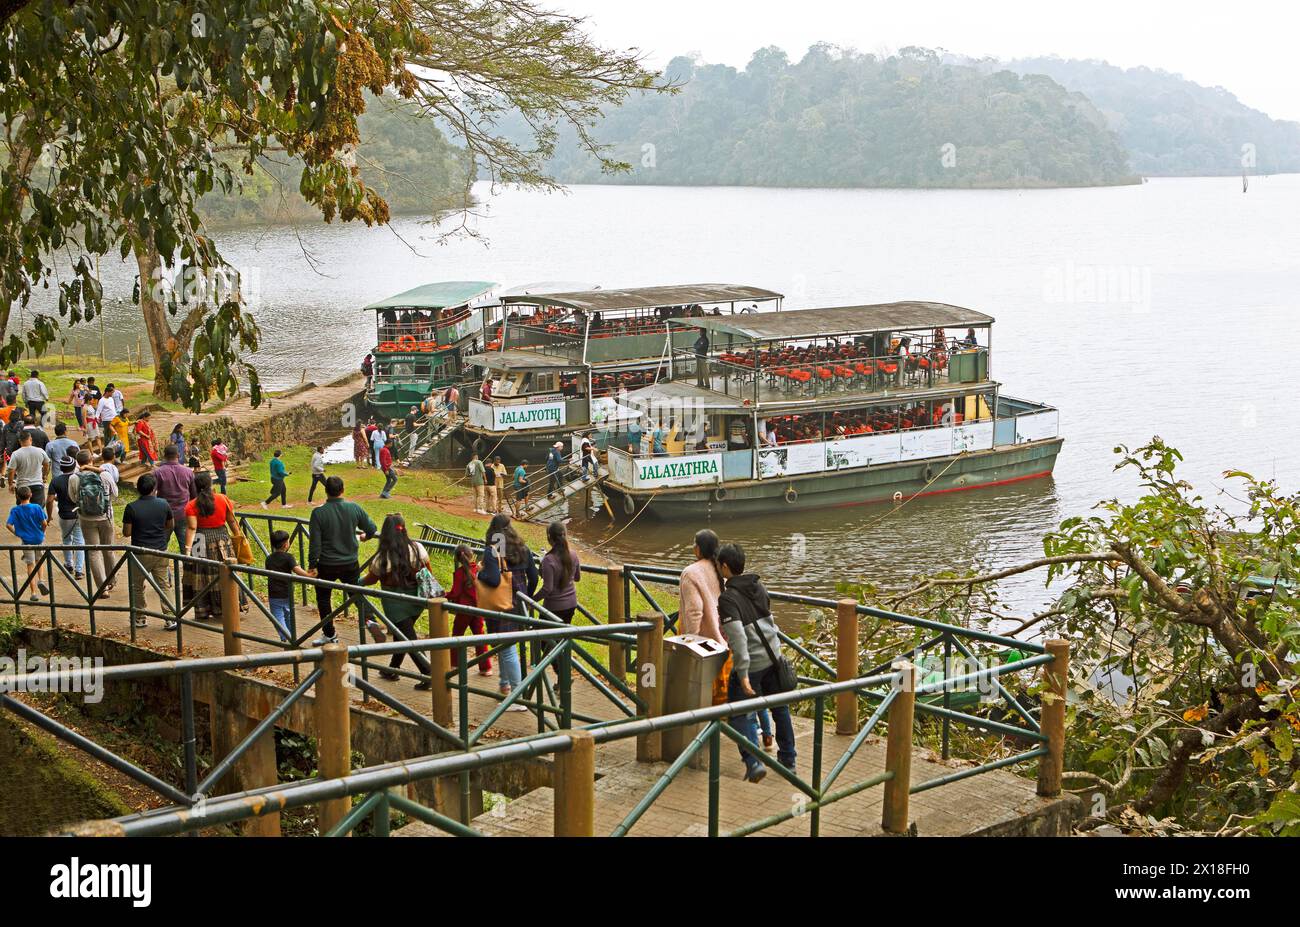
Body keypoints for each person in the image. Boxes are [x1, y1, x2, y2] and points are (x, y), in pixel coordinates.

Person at [717, 543, 796, 779]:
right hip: (774, 656)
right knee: (780, 708)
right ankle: (788, 760)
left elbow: (738, 638)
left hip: (752, 664)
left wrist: (742, 674)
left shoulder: (727, 599)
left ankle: (753, 764)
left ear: (724, 567)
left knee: (740, 714)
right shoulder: (758, 586)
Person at [360, 513, 433, 689]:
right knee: (404, 634)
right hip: (416, 600)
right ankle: (392, 669)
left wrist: (357, 582)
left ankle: (429, 673)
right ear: (404, 528)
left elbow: (372, 578)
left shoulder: (383, 557)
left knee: (408, 638)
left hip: (394, 604)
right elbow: (428, 571)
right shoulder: (418, 548)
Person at [307, 476, 378, 645]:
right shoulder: (353, 508)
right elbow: (372, 529)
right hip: (350, 563)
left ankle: (330, 634)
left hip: (326, 565)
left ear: (326, 491)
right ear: (342, 490)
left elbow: (315, 543)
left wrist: (312, 565)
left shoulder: (318, 513)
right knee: (356, 593)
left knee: (323, 599)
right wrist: (366, 537)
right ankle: (371, 620)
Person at [477, 514, 537, 708]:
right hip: (520, 604)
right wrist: (528, 596)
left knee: (508, 649)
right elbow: (534, 577)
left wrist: (480, 573)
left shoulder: (495, 549)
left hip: (502, 605)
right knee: (506, 647)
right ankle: (504, 686)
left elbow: (494, 579)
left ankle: (518, 697)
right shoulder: (523, 548)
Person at [122, 472, 175, 630]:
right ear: (154, 489)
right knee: (164, 585)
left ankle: (140, 617)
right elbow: (170, 525)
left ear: (138, 489)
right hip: (160, 551)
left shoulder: (131, 507)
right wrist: (163, 538)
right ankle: (170, 618)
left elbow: (126, 532)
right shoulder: (163, 504)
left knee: (136, 585)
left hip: (139, 552)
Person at [182, 472, 238, 622]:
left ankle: (203, 609)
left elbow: (192, 528)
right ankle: (228, 606)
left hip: (200, 540)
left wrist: (187, 549)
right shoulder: (223, 499)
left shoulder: (191, 505)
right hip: (222, 539)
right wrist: (238, 537)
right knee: (225, 573)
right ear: (210, 484)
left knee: (201, 576)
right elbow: (232, 521)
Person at [68, 449, 118, 595]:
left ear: (77, 462)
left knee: (93, 552)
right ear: (92, 460)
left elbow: (72, 498)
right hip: (106, 517)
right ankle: (111, 580)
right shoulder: (104, 474)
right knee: (108, 549)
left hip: (86, 519)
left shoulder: (74, 477)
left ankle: (102, 589)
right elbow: (115, 494)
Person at [447, 544, 491, 676]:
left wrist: (443, 594)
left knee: (457, 634)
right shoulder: (479, 570)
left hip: (464, 609)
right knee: (479, 636)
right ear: (471, 554)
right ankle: (486, 667)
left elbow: (455, 593)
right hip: (478, 608)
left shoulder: (460, 573)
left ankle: (454, 664)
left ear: (458, 559)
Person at [538, 521, 580, 659]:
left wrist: (530, 600)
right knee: (561, 641)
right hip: (571, 605)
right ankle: (564, 674)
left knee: (544, 642)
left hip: (553, 608)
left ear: (549, 538)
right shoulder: (573, 554)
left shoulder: (548, 560)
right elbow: (577, 577)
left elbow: (547, 588)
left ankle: (562, 674)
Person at [265, 529, 312, 644]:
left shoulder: (269, 559)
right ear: (286, 544)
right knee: (289, 617)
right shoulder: (289, 557)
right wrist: (309, 575)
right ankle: (292, 638)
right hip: (287, 593)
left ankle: (287, 638)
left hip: (274, 594)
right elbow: (297, 570)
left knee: (278, 619)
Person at [7, 485, 49, 602]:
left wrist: (18, 533)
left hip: (26, 541)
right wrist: (42, 532)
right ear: (31, 495)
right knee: (39, 561)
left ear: (17, 497)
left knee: (30, 565)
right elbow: (44, 523)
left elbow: (8, 525)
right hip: (38, 539)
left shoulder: (15, 510)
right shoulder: (36, 507)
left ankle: (33, 593)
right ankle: (41, 580)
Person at [46, 457, 84, 581]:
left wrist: (49, 515)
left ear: (61, 468)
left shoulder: (56, 481)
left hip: (64, 515)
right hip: (79, 514)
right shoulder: (79, 478)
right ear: (74, 467)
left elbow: (50, 500)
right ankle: (79, 570)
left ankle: (69, 565)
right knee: (79, 541)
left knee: (66, 539)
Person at [154, 444, 196, 553]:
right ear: (178, 455)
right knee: (186, 547)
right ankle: (189, 569)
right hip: (184, 514)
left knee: (159, 548)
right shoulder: (188, 472)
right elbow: (194, 496)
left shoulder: (158, 472)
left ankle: (163, 570)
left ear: (164, 456)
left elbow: (152, 495)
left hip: (165, 516)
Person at [8, 430, 50, 507]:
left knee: (22, 510)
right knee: (38, 510)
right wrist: (45, 476)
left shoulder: (16, 454)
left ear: (19, 441)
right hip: (37, 485)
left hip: (22, 487)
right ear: (30, 439)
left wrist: (10, 484)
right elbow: (46, 464)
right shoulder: (40, 451)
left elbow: (11, 471)